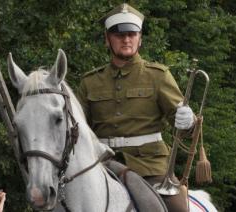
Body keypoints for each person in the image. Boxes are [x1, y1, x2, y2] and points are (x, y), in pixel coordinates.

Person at [76, 3, 195, 212]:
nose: (126, 39)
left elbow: (184, 130)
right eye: (119, 35)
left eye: (132, 34)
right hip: (102, 165)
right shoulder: (90, 82)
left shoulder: (157, 75)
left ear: (140, 39)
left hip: (149, 167)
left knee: (178, 209)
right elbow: (77, 131)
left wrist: (189, 121)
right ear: (107, 39)